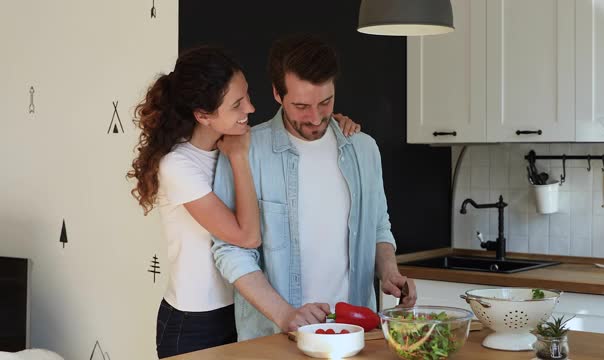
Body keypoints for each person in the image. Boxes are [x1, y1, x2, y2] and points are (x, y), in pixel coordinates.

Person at [127, 45, 360, 358]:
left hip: (241, 312)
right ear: (203, 116)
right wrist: (238, 158)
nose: (250, 108)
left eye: (247, 95)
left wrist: (333, 124)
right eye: (237, 104)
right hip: (195, 322)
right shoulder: (180, 166)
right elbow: (247, 237)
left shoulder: (236, 141)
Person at [211, 34, 417, 341]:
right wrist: (285, 314)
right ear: (277, 95)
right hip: (273, 337)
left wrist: (389, 271)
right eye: (301, 106)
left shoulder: (363, 148)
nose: (316, 118)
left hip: (355, 334)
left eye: (325, 102)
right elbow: (229, 250)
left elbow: (377, 226)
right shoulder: (244, 151)